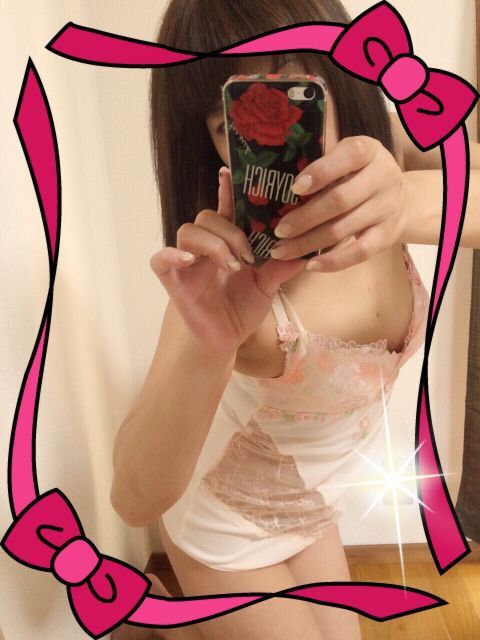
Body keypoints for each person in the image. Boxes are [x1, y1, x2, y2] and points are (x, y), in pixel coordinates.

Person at [110, 1, 480, 639]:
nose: (280, 136)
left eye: (295, 91)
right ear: (212, 143)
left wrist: (408, 203)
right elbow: (132, 497)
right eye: (235, 120)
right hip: (224, 528)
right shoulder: (227, 279)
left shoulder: (383, 153)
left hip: (312, 506)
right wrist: (209, 347)